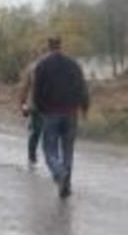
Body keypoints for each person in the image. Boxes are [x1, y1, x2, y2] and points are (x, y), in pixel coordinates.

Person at [33, 36, 89, 198]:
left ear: (48, 46)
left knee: (49, 149)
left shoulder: (42, 65)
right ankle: (66, 184)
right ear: (60, 45)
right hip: (71, 112)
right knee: (68, 150)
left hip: (51, 113)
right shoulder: (74, 65)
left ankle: (59, 174)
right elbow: (82, 87)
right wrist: (84, 107)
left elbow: (37, 92)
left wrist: (39, 109)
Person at [18, 48, 45, 168]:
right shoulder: (33, 68)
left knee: (36, 132)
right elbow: (24, 88)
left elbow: (24, 88)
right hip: (39, 106)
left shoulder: (33, 68)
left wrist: (23, 104)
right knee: (37, 131)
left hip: (40, 105)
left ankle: (32, 157)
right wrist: (23, 104)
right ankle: (32, 157)